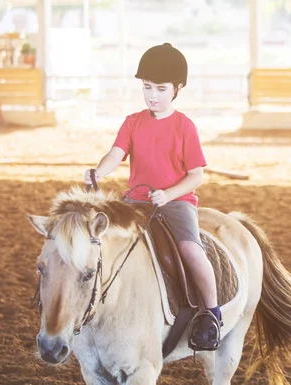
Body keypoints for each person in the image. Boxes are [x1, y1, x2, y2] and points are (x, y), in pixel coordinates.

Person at [83, 43, 221, 351]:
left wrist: (169, 194)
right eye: (147, 88)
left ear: (177, 89)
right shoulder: (133, 122)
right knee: (104, 242)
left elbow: (196, 175)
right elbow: (115, 154)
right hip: (135, 202)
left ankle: (211, 313)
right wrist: (99, 172)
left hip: (176, 204)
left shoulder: (185, 127)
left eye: (160, 88)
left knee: (191, 251)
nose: (152, 96)